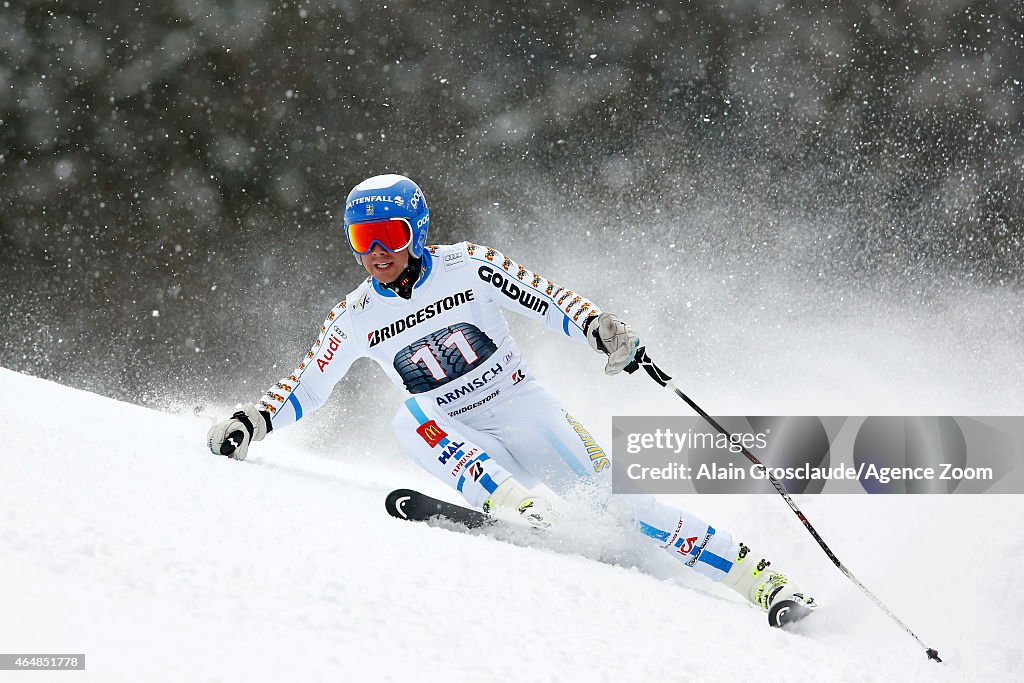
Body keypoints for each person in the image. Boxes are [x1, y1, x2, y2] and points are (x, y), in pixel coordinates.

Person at [207, 174, 816, 625]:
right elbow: (308, 384)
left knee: (627, 508)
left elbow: (548, 300)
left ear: (415, 231)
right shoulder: (355, 315)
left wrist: (599, 328)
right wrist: (253, 421)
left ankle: (764, 581)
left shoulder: (468, 265)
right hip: (461, 436)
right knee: (408, 415)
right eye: (361, 239)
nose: (376, 252)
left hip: (526, 411)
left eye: (388, 235)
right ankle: (519, 507)